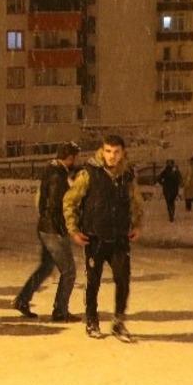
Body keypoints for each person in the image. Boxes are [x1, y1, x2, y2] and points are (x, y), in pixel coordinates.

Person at [63, 135, 143, 342]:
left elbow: (136, 202)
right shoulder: (89, 173)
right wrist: (73, 230)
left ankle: (118, 322)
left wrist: (137, 224)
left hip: (119, 238)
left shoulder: (127, 176)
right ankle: (92, 320)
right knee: (93, 282)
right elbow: (70, 200)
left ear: (122, 153)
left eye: (116, 152)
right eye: (108, 151)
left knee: (123, 280)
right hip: (95, 238)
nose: (112, 156)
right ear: (102, 151)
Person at [14, 142, 80, 322]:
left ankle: (22, 300)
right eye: (76, 158)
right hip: (53, 230)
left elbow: (46, 203)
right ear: (70, 157)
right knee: (69, 271)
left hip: (46, 227)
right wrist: (62, 228)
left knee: (46, 267)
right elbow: (54, 205)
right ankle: (60, 311)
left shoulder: (53, 170)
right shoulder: (58, 175)